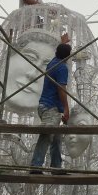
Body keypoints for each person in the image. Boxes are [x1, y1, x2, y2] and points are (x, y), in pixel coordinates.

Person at [30, 40, 72, 173]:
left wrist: (62, 43)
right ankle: (35, 166)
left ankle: (56, 167)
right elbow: (61, 89)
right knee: (47, 136)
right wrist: (66, 109)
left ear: (56, 53)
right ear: (68, 57)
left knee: (56, 138)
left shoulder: (53, 63)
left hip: (45, 106)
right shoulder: (62, 68)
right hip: (51, 108)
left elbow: (59, 53)